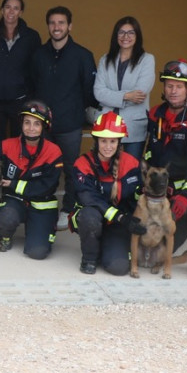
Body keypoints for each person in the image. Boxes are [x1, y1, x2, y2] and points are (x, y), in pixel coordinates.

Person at [144, 60, 187, 279]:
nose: (173, 91)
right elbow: (150, 152)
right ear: (164, 87)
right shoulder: (155, 114)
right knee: (153, 254)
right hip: (167, 184)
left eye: (179, 86)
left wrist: (185, 196)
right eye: (169, 85)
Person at [0, 100, 63, 259]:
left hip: (41, 206)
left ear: (44, 127)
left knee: (37, 252)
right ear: (21, 124)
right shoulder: (7, 145)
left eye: (36, 124)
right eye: (27, 122)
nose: (31, 128)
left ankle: (37, 231)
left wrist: (13, 184)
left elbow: (47, 187)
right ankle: (5, 236)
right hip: (14, 202)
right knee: (5, 215)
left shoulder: (53, 152)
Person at [31, 6, 97, 231]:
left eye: (61, 23)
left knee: (70, 169)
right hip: (43, 125)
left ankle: (67, 209)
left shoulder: (83, 55)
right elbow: (32, 87)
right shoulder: (38, 54)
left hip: (69, 124)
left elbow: (89, 91)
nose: (56, 27)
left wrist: (78, 112)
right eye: (52, 23)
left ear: (69, 26)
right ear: (48, 26)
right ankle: (42, 207)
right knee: (43, 167)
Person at [69, 111, 144, 275]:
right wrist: (120, 217)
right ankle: (89, 258)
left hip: (118, 225)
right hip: (95, 218)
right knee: (90, 217)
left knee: (119, 268)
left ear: (119, 142)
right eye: (103, 141)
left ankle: (106, 247)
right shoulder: (82, 164)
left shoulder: (131, 164)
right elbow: (89, 198)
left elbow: (137, 196)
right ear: (96, 141)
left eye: (113, 141)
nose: (108, 146)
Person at [93, 16, 155, 159]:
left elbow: (140, 93)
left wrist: (111, 96)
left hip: (133, 127)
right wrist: (126, 96)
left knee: (130, 174)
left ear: (137, 36)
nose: (125, 36)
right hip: (106, 127)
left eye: (131, 32)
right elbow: (98, 92)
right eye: (121, 32)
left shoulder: (147, 60)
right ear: (116, 36)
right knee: (104, 172)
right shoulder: (105, 59)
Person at [0, 0, 41, 142]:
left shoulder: (31, 37)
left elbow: (36, 69)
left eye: (16, 8)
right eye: (8, 7)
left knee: (19, 142)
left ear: (21, 12)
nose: (11, 11)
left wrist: (31, 96)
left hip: (20, 100)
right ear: (2, 10)